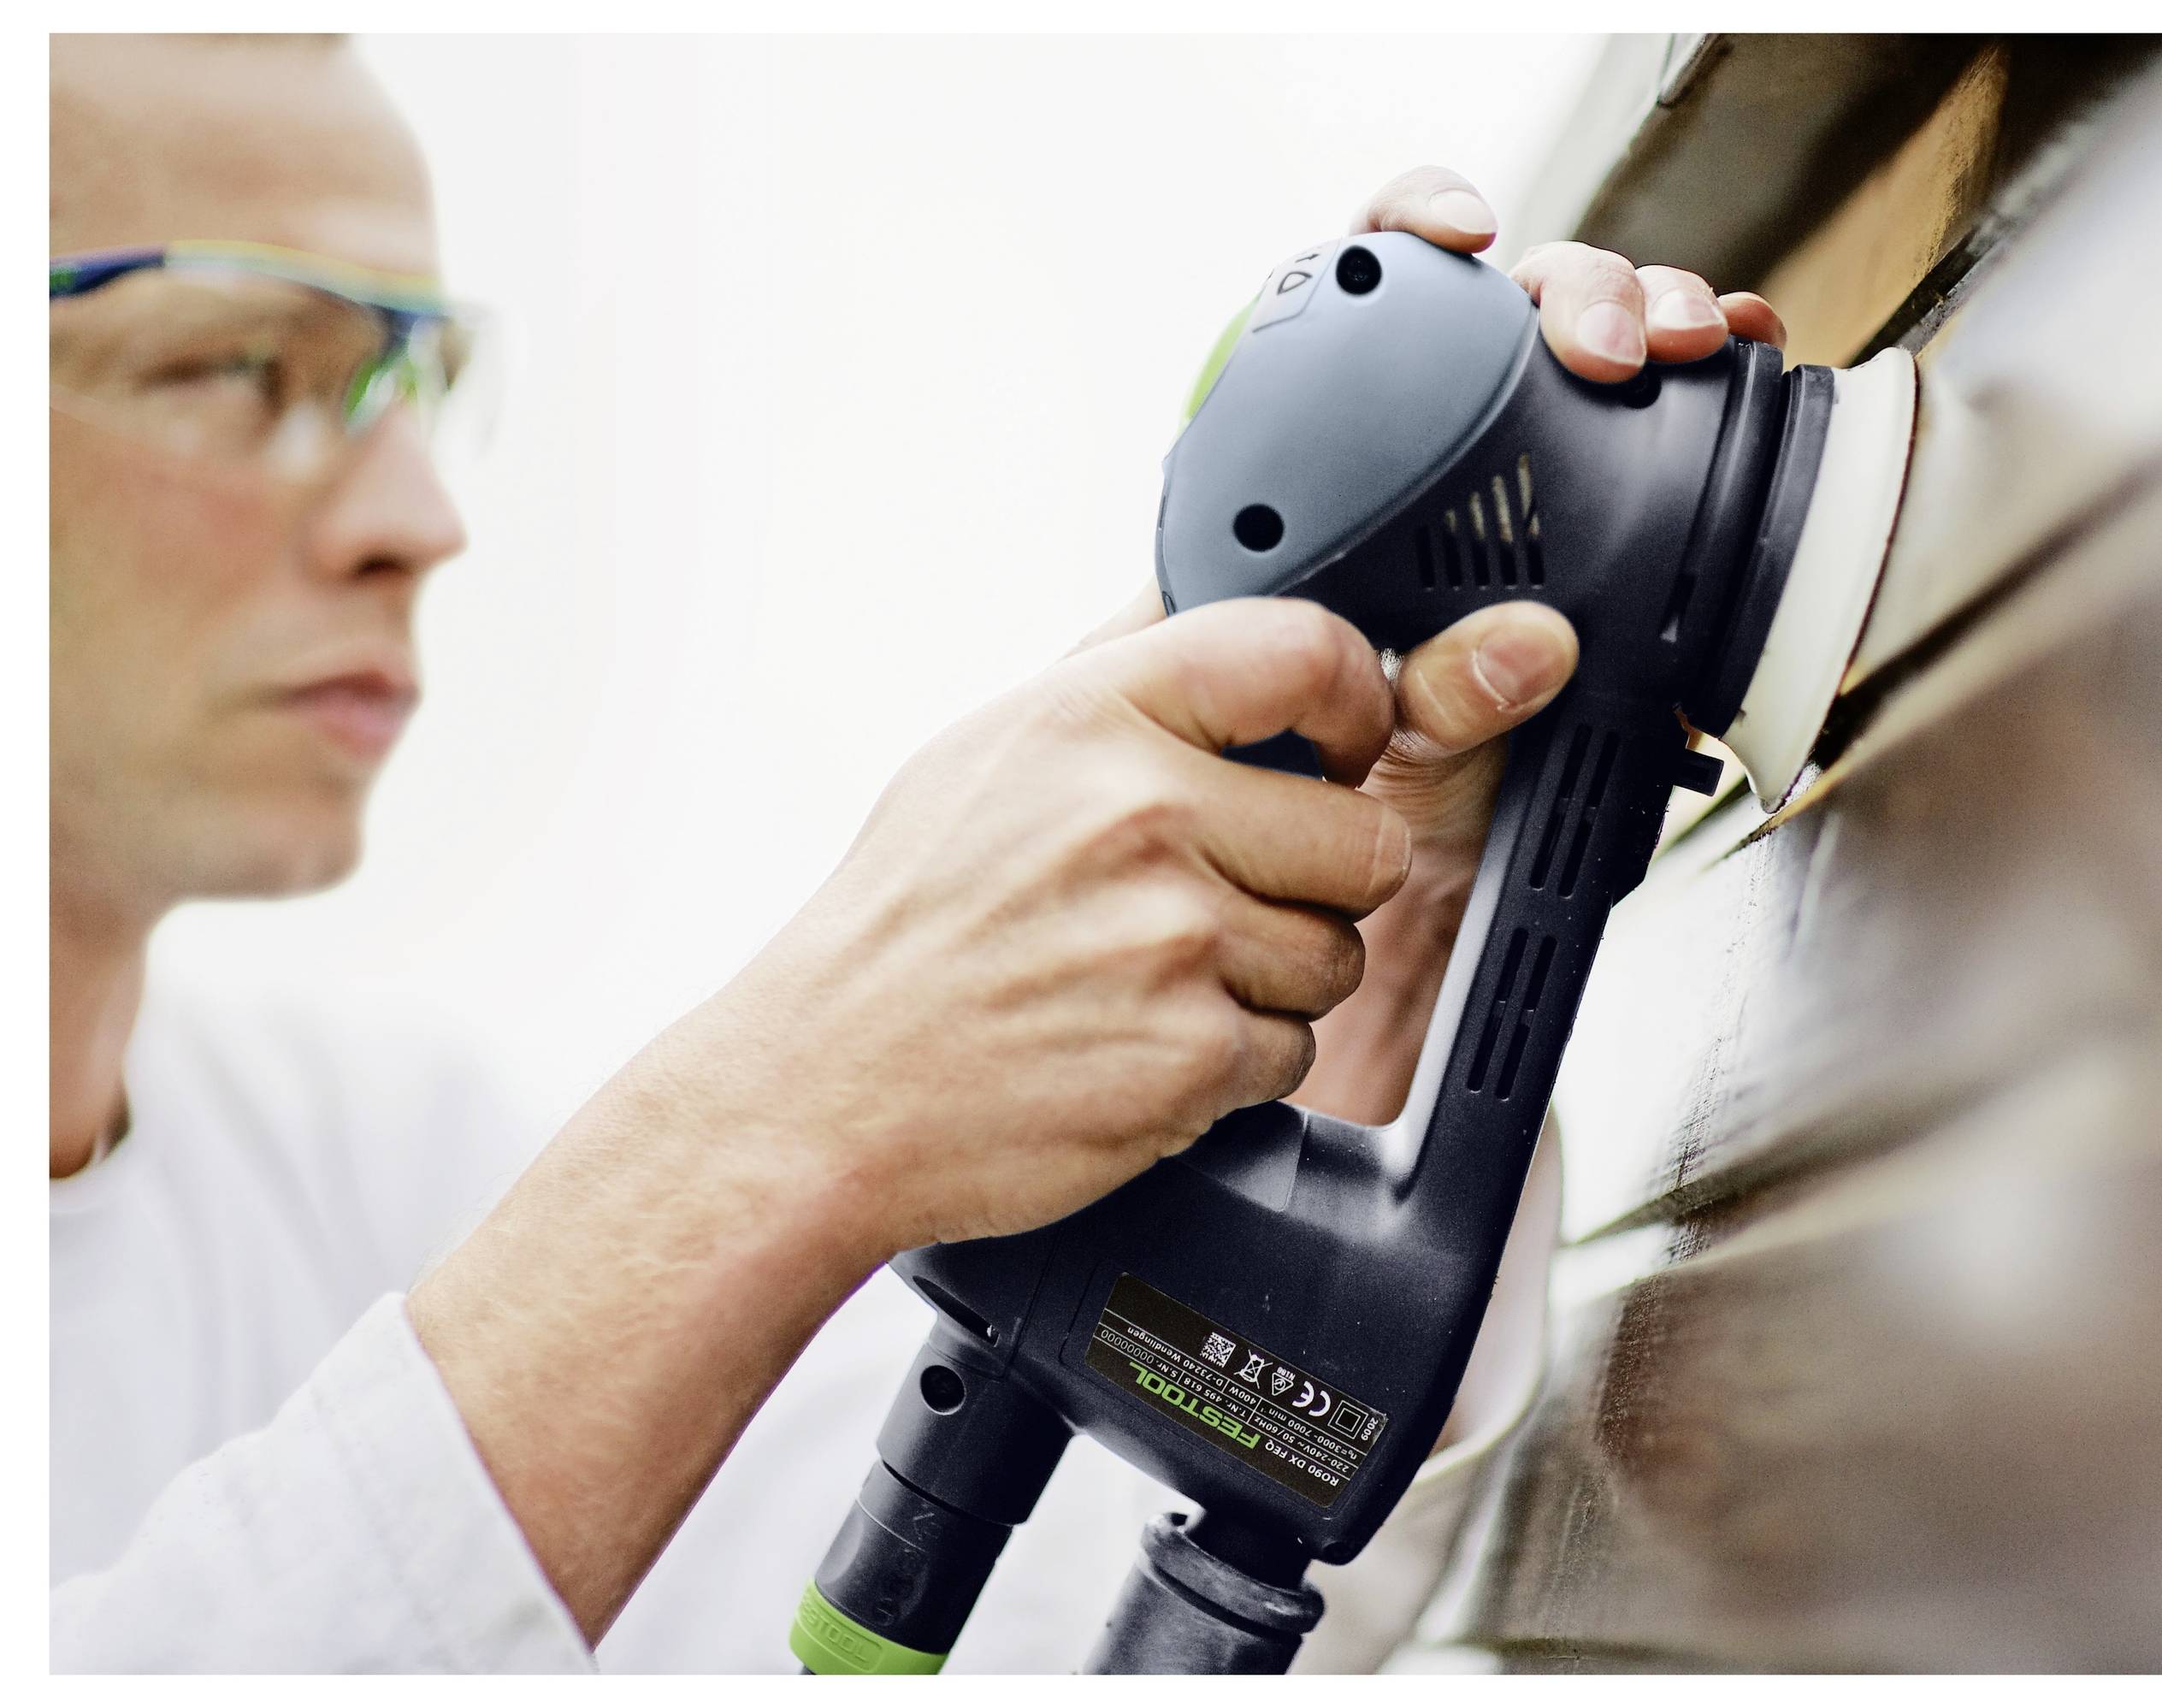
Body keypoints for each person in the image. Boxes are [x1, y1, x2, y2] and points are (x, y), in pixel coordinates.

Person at [49, 33, 1785, 1672]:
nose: (418, 517)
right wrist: (790, 1108)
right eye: (236, 366)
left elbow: (1005, 1637)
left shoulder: (375, 1175)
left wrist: (1380, 913)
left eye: (414, 372)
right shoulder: (532, 1229)